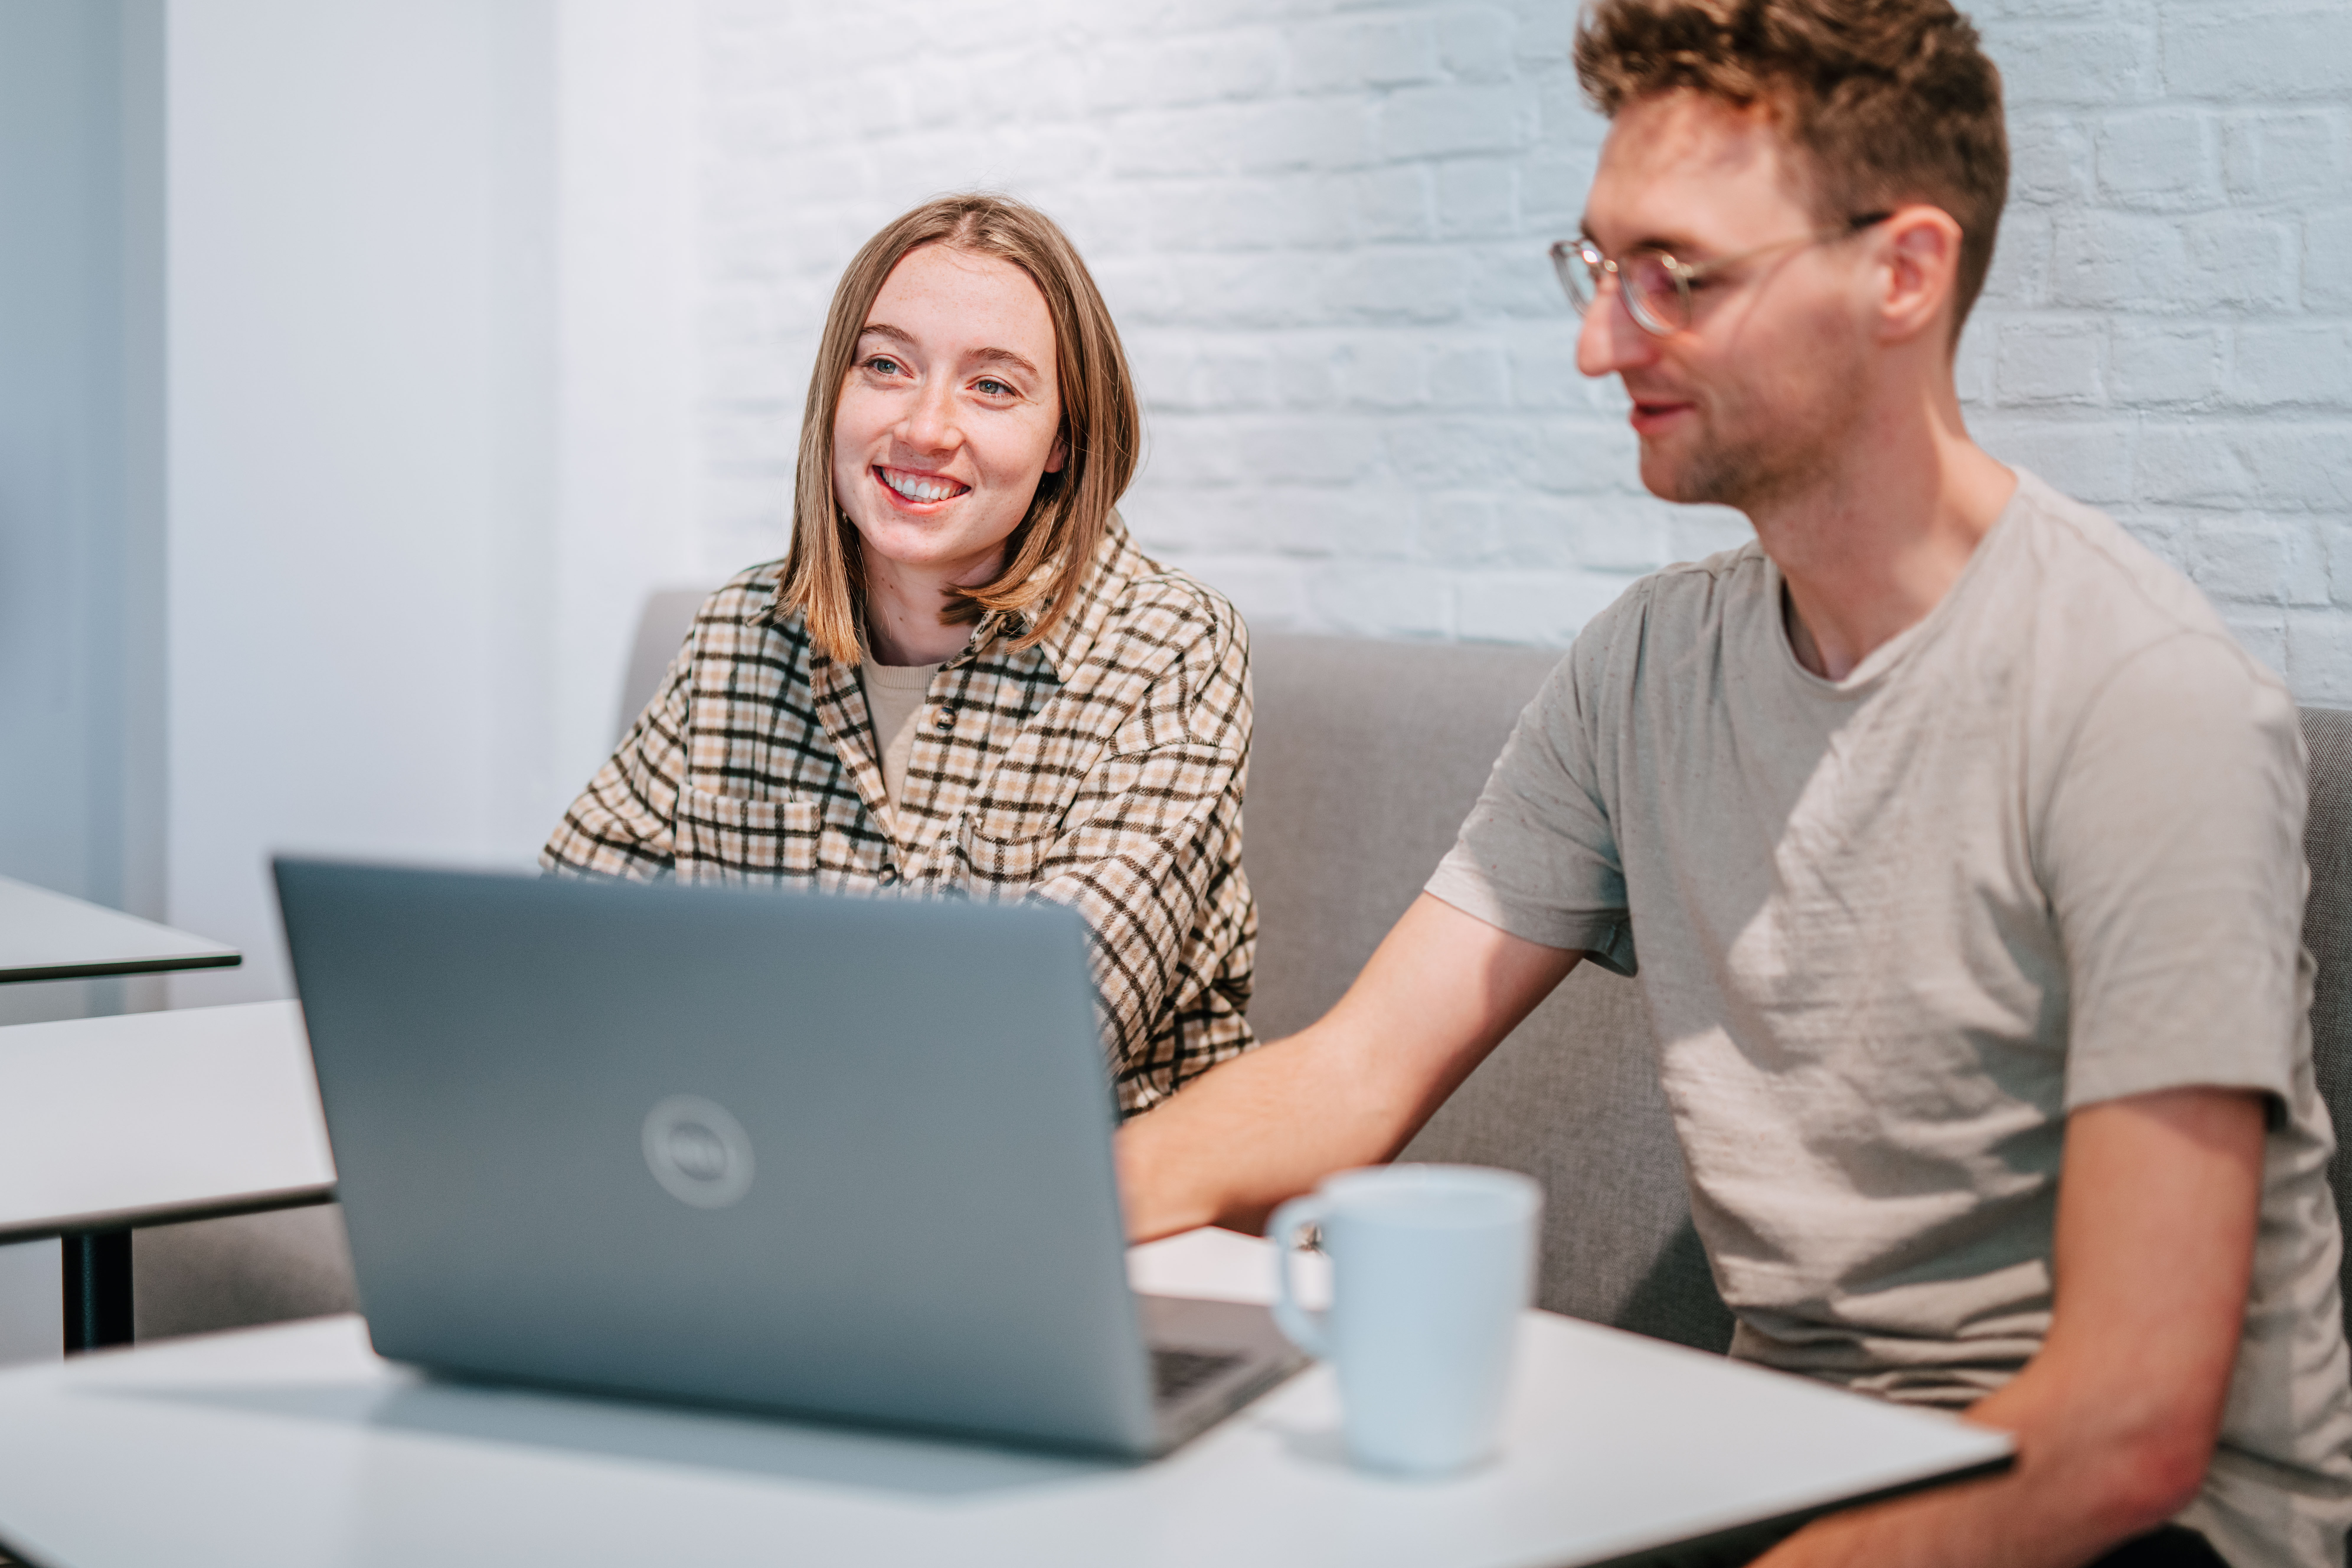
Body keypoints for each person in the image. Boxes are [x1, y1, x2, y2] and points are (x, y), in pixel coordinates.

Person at [1116, 2, 2352, 1564]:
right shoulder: (1642, 667)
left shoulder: (2140, 706)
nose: (1599, 340)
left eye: (1676, 278)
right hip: (1781, 1460)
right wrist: (1005, 1244)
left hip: (2146, 1527)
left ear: (1900, 272)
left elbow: (2125, 1426)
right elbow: (1351, 1076)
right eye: (1597, 267)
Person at [545, 194, 1256, 1115]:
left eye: (992, 386)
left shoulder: (1171, 650)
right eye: (885, 365)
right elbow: (567, 950)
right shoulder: (738, 633)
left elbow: (1034, 1036)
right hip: (753, 1175)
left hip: (1075, 1212)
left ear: (1063, 443)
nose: (924, 427)